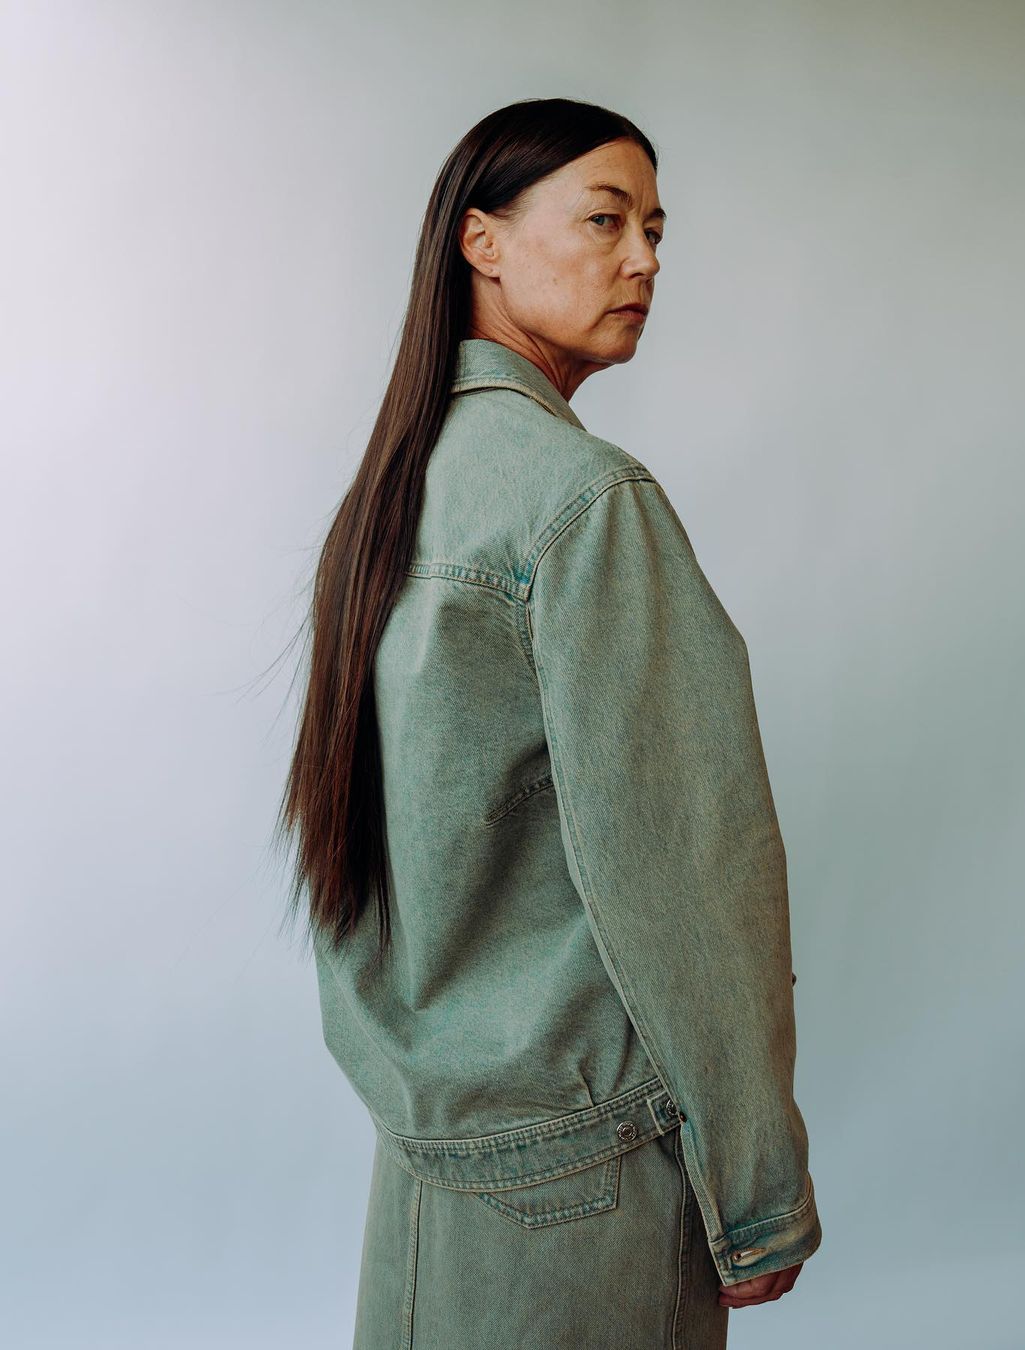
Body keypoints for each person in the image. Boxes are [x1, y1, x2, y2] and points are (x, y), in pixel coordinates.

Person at [277, 96, 822, 1348]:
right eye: (605, 220)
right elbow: (686, 874)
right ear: (482, 241)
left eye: (656, 231)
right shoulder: (582, 503)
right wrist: (758, 1198)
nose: (645, 260)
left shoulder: (394, 497)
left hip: (431, 1170)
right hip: (586, 1182)